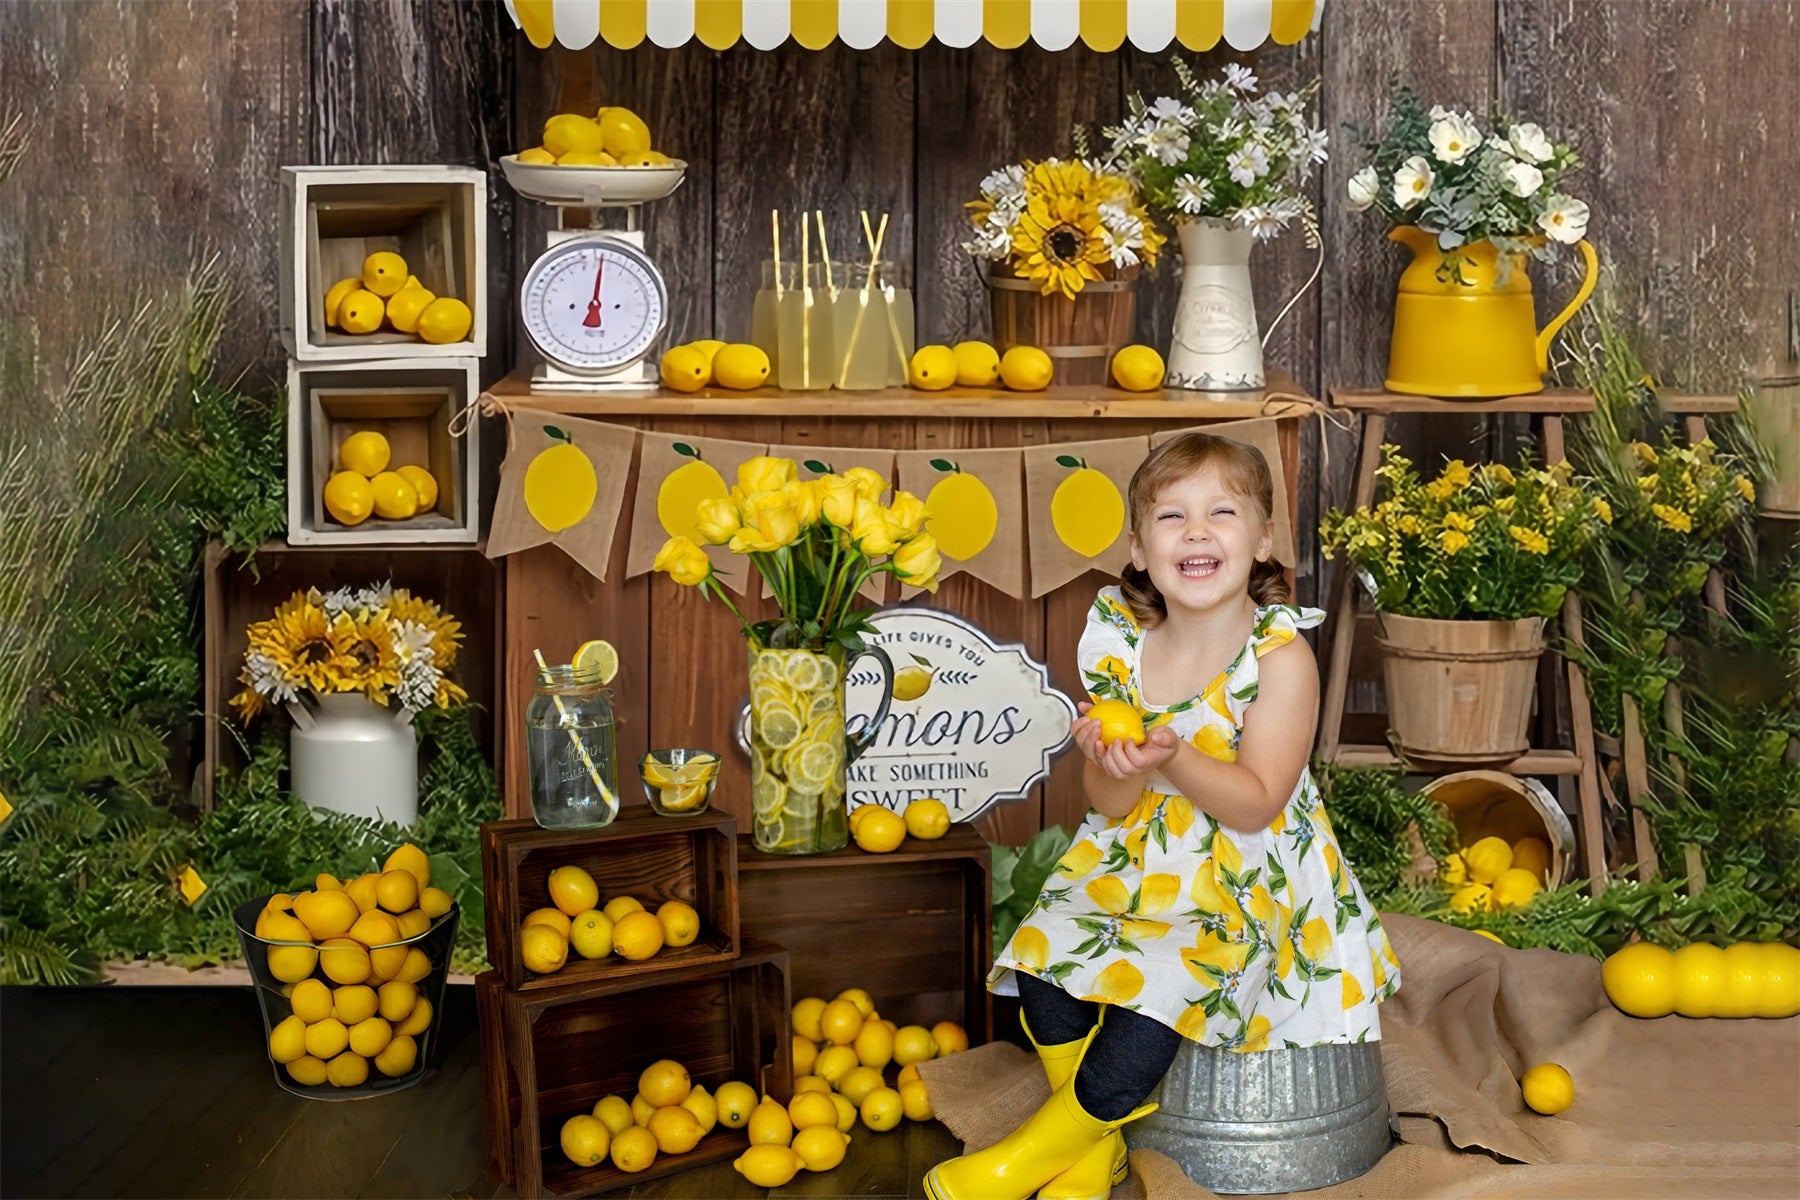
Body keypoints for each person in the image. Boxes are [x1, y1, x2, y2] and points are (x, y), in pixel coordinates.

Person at [926, 433, 1403, 1200]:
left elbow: (1257, 801)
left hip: (1252, 883)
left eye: (1222, 511)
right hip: (1140, 857)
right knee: (1045, 958)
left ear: (1263, 539)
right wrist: (1112, 762)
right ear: (1140, 550)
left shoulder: (1279, 656)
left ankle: (1030, 1155)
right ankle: (1089, 1156)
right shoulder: (1122, 644)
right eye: (1172, 517)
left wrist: (1169, 755)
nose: (1197, 531)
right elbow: (1109, 805)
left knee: (1160, 992)